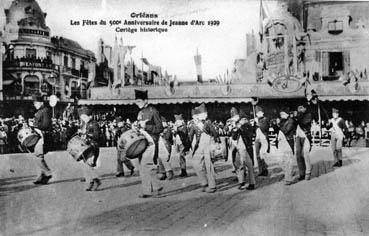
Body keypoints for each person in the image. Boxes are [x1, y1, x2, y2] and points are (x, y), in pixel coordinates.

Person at [134, 89, 164, 198]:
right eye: (136, 102)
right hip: (141, 142)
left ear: (145, 100)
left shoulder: (153, 111)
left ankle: (155, 189)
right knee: (142, 166)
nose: (137, 104)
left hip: (151, 142)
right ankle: (149, 189)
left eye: (139, 101)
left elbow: (160, 128)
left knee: (148, 165)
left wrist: (146, 126)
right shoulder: (140, 112)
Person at [188, 103, 219, 193]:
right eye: (203, 114)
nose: (205, 115)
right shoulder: (194, 124)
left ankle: (212, 186)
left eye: (205, 113)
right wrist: (188, 146)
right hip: (199, 145)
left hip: (208, 143)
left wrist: (215, 142)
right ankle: (204, 182)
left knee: (209, 165)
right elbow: (190, 136)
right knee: (196, 164)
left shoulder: (208, 122)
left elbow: (215, 133)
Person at [229, 110, 256, 190]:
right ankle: (241, 182)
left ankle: (252, 183)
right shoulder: (236, 126)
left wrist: (240, 127)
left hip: (246, 149)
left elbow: (250, 135)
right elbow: (233, 136)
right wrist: (235, 128)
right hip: (237, 149)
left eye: (244, 119)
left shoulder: (248, 126)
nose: (243, 120)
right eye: (242, 119)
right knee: (239, 165)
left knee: (249, 165)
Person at [78, 106, 102, 191]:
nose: (83, 119)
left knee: (89, 164)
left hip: (93, 146)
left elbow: (97, 135)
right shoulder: (85, 124)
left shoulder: (94, 124)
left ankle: (94, 181)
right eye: (82, 117)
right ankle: (93, 181)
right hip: (86, 147)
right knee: (87, 165)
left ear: (90, 116)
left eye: (85, 117)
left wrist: (86, 133)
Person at [32, 95, 53, 185]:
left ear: (41, 103)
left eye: (36, 103)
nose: (34, 105)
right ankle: (42, 176)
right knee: (38, 155)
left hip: (43, 137)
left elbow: (46, 125)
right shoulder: (41, 111)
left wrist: (35, 126)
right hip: (39, 136)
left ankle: (47, 173)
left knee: (39, 156)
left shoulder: (45, 111)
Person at [277, 107, 297, 185]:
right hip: (282, 142)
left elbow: (286, 130)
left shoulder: (290, 121)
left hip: (288, 141)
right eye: (281, 114)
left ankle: (288, 178)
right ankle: (288, 174)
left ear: (287, 114)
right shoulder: (283, 121)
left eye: (283, 114)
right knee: (281, 160)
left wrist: (279, 125)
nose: (281, 115)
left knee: (288, 160)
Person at [295, 104, 313, 181]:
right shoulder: (298, 116)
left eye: (301, 108)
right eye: (299, 108)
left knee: (305, 154)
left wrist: (298, 116)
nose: (300, 109)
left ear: (305, 108)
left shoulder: (308, 115)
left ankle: (308, 172)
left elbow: (303, 123)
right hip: (298, 136)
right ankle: (302, 173)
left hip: (306, 136)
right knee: (298, 155)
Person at [254, 106, 269, 177]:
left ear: (262, 113)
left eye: (260, 113)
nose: (258, 114)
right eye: (257, 113)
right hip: (257, 139)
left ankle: (265, 169)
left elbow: (264, 128)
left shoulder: (265, 119)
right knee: (257, 155)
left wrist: (258, 122)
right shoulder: (256, 120)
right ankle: (260, 170)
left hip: (263, 138)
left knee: (262, 154)